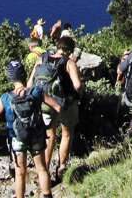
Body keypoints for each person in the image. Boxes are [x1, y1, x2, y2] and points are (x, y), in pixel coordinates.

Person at [0, 61, 60, 198]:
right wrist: (50, 124)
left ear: (10, 78)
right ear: (24, 75)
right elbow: (58, 107)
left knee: (20, 173)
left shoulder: (6, 98)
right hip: (36, 135)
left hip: (16, 138)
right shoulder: (36, 91)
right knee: (42, 169)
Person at [28, 35, 83, 180]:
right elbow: (77, 85)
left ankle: (44, 171)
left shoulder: (42, 59)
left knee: (49, 135)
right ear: (70, 50)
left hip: (44, 103)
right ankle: (61, 168)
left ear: (57, 46)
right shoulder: (69, 62)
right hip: (64, 104)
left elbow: (29, 84)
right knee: (66, 133)